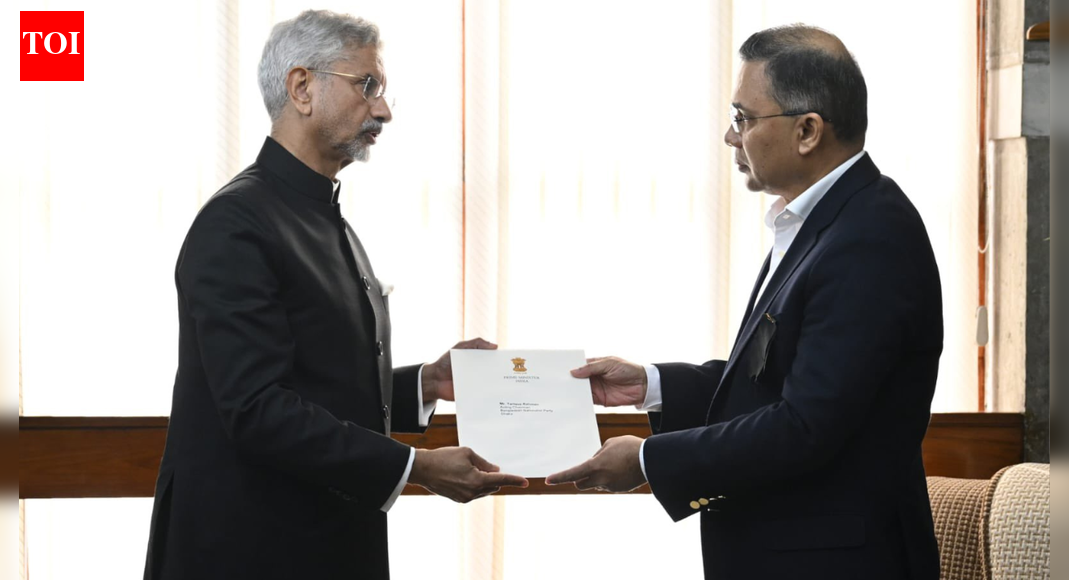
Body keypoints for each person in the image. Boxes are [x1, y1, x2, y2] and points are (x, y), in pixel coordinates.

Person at [547, 24, 943, 580]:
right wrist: (651, 385)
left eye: (744, 118)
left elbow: (805, 425)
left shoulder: (870, 236)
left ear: (807, 131)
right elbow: (770, 381)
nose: (731, 137)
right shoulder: (822, 222)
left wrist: (647, 460)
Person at [143, 10, 526, 580]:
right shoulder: (237, 222)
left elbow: (319, 383)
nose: (383, 110)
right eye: (367, 85)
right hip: (250, 551)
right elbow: (257, 409)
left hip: (321, 542)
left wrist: (426, 383)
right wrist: (417, 466)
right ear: (302, 87)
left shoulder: (321, 212)